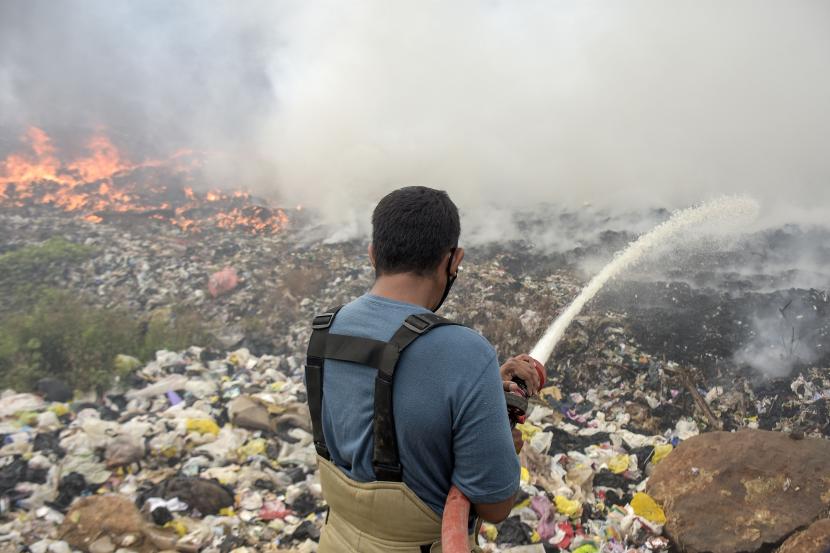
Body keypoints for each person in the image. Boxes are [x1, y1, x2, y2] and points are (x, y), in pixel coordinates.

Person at [305, 186, 542, 552]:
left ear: (372, 255)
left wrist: (481, 398)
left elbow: (387, 415)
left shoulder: (324, 332)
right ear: (454, 260)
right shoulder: (467, 352)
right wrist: (500, 443)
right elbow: (494, 505)